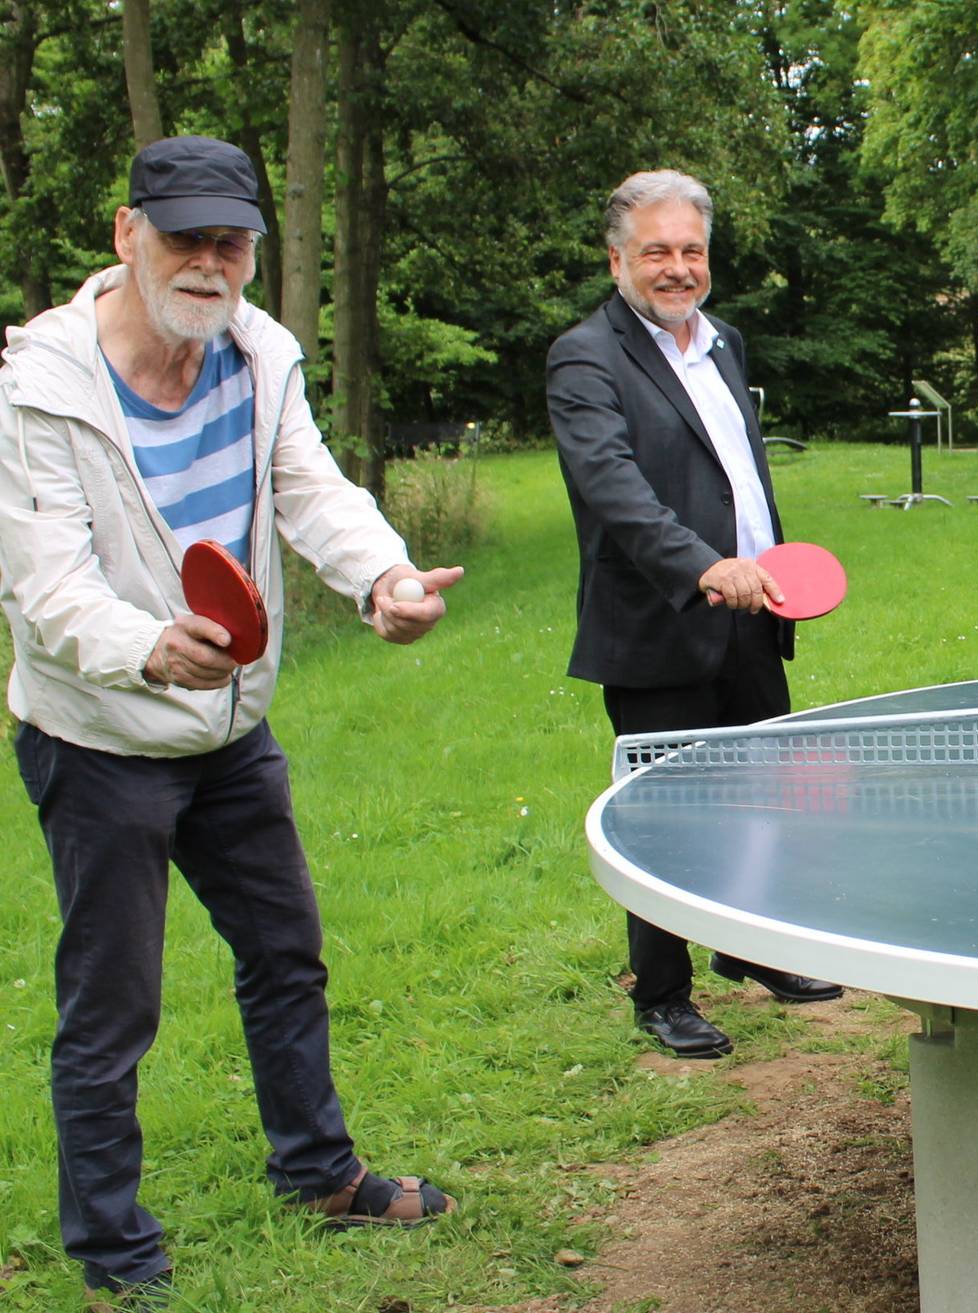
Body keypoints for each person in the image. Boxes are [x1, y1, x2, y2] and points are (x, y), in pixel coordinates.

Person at [0, 135, 463, 1309]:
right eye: (184, 237)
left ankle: (318, 1170)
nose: (209, 262)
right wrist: (146, 644)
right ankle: (109, 1241)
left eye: (231, 240)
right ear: (125, 234)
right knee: (114, 1004)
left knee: (284, 953)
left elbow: (308, 487)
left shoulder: (259, 354)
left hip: (230, 735)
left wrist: (384, 580)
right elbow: (42, 585)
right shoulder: (39, 387)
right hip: (101, 736)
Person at [547, 170, 840, 1062]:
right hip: (661, 621)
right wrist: (705, 567)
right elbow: (613, 491)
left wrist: (767, 566)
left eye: (691, 251)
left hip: (756, 612)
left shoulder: (723, 343)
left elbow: (736, 476)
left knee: (762, 793)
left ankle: (752, 948)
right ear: (617, 258)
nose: (677, 268)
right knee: (664, 815)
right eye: (656, 252)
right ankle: (661, 994)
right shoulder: (585, 356)